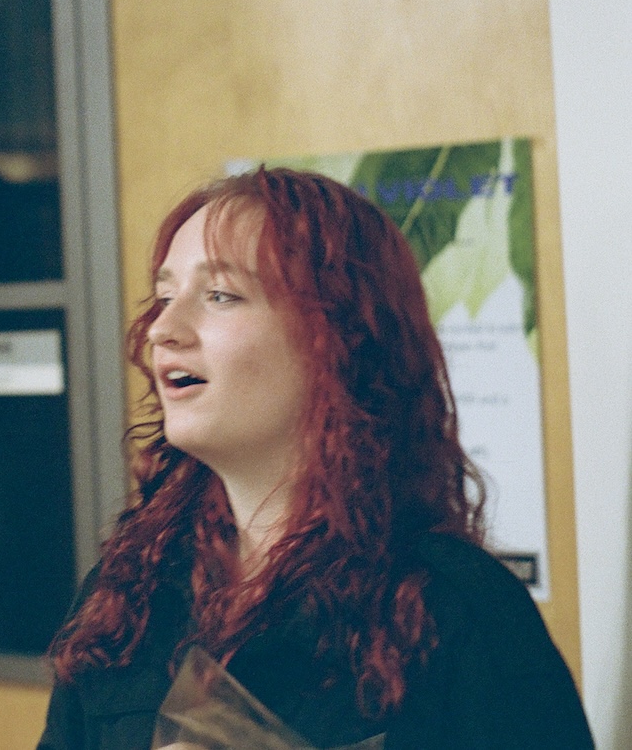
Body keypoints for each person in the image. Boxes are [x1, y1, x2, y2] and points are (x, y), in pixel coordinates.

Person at [37, 167, 594, 749]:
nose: (163, 331)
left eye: (220, 295)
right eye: (165, 297)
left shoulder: (462, 612)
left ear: (340, 337)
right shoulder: (127, 588)